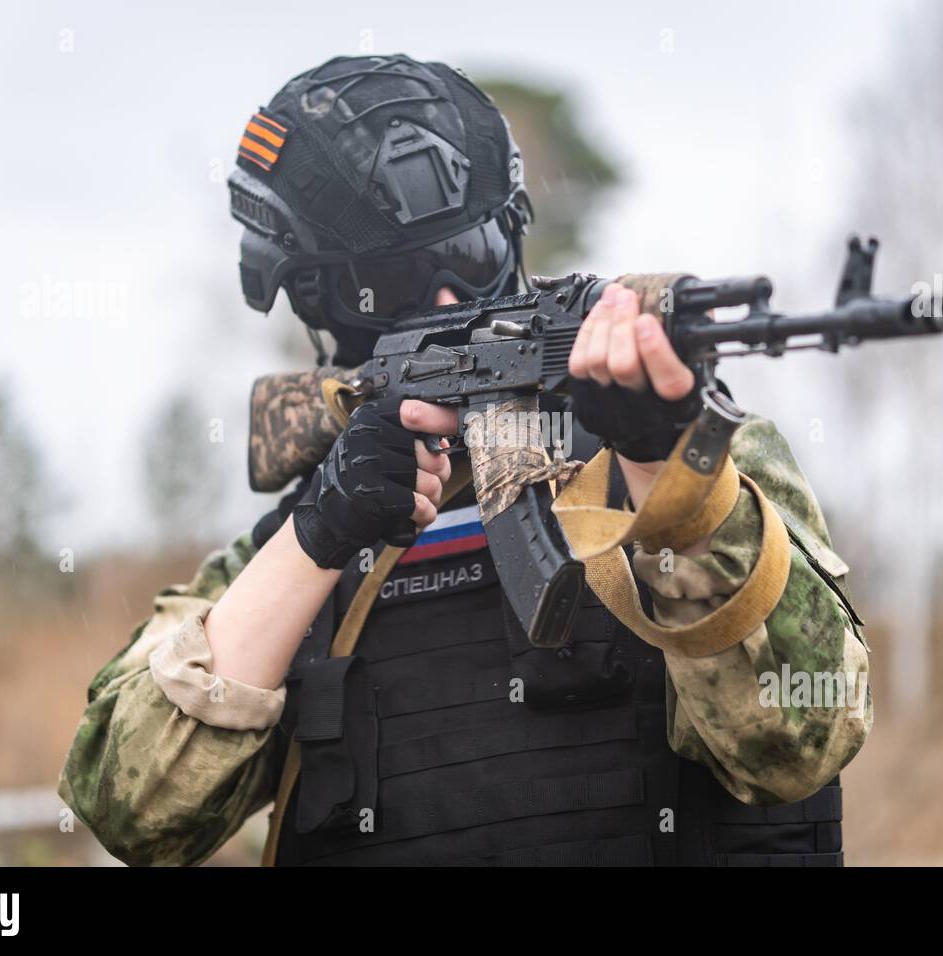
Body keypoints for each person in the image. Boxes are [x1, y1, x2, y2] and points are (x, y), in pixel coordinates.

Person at [59, 53, 872, 867]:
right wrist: (317, 535)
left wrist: (664, 471)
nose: (449, 302)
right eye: (394, 281)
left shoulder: (699, 468)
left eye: (473, 256)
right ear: (313, 300)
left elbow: (800, 743)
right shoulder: (305, 540)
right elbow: (133, 814)